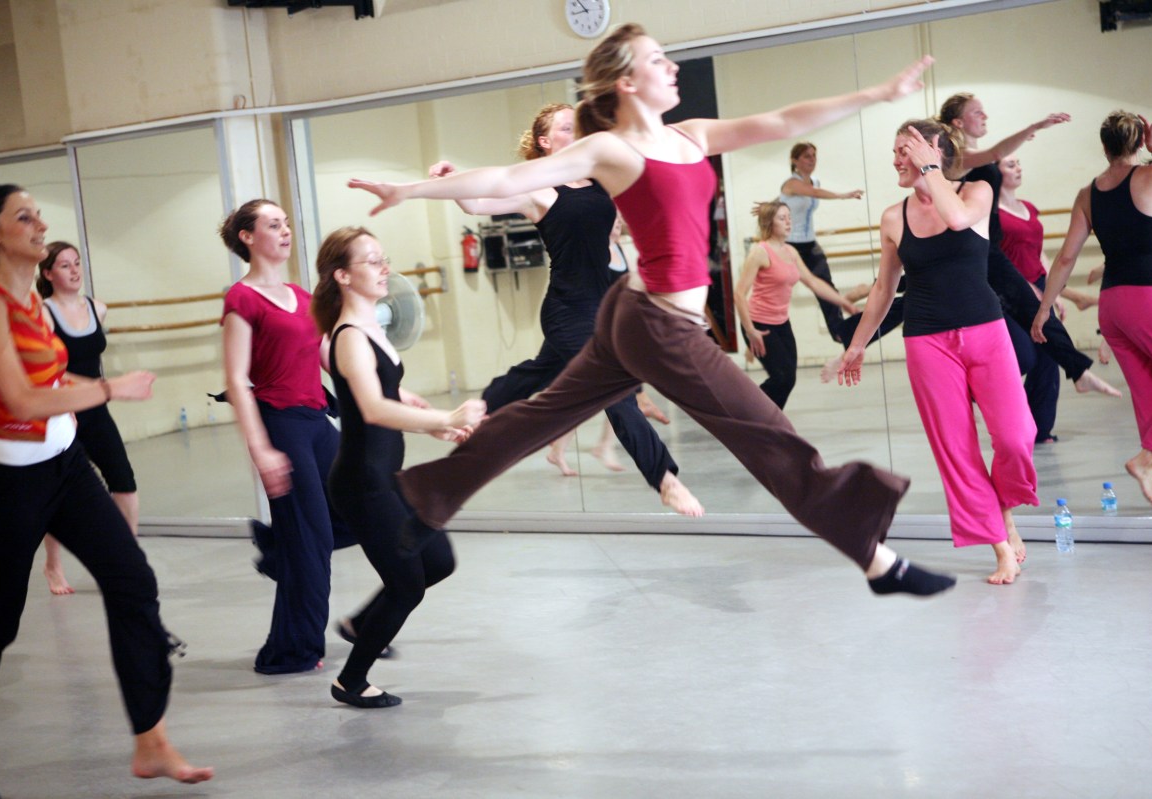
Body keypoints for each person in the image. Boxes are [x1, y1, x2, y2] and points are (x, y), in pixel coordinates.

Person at [349, 24, 956, 597]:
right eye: (657, 60)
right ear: (627, 82)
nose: (672, 67)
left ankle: (421, 499)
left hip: (631, 311)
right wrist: (410, 190)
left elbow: (781, 120)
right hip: (659, 323)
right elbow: (511, 177)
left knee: (540, 416)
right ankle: (877, 561)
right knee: (769, 434)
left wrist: (876, 93)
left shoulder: (690, 134)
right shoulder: (609, 149)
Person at [0, 184, 213, 784]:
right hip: (9, 483)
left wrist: (81, 406)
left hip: (65, 468)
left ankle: (151, 741)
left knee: (131, 579)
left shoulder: (34, 304)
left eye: (40, 214)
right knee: (2, 622)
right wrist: (110, 389)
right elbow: (19, 397)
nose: (41, 225)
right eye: (24, 217)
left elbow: (51, 382)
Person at [431, 103, 700, 514]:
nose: (577, 131)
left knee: (536, 373)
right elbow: (478, 204)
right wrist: (454, 181)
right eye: (565, 127)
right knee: (616, 393)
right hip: (569, 310)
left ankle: (476, 414)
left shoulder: (598, 180)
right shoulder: (538, 189)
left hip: (603, 308)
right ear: (545, 141)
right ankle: (664, 479)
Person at [838, 121, 1037, 585]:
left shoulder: (977, 193)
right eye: (894, 151)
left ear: (933, 150)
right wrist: (856, 345)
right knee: (957, 451)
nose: (894, 161)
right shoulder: (893, 217)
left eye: (901, 150)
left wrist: (930, 168)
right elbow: (884, 289)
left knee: (1015, 437)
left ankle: (1004, 510)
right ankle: (1000, 545)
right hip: (927, 341)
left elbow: (957, 221)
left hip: (986, 332)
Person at [308, 226, 485, 708]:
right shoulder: (348, 337)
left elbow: (388, 397)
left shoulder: (371, 328)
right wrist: (442, 417)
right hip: (362, 483)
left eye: (383, 259)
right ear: (342, 275)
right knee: (407, 585)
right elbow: (371, 409)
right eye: (371, 261)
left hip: (386, 476)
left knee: (439, 562)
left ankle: (361, 624)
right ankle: (351, 680)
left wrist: (430, 425)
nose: (385, 268)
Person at [219, 199, 372, 675]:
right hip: (280, 425)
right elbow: (237, 380)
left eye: (286, 223)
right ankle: (293, 652)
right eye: (272, 224)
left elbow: (332, 357)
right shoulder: (241, 299)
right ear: (247, 237)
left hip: (316, 422)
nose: (285, 231)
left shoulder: (302, 296)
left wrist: (388, 392)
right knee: (311, 539)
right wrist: (260, 447)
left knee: (363, 509)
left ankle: (280, 548)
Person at [1032, 112, 1152, 510]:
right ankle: (1147, 458)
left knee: (1149, 397)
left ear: (1104, 147)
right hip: (1149, 299)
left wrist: (1043, 311)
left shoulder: (1088, 194)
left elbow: (1066, 258)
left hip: (1112, 307)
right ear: (1138, 143)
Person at [939, 92, 1121, 399]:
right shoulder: (955, 160)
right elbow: (996, 152)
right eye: (977, 112)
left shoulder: (976, 157)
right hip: (970, 252)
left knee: (1037, 313)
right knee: (903, 297)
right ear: (958, 122)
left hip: (988, 250)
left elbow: (995, 153)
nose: (984, 116)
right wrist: (1032, 127)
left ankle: (1079, 372)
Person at [34, 241, 140, 594]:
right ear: (48, 274)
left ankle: (128, 556)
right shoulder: (43, 313)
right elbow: (51, 370)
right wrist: (106, 386)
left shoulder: (98, 308)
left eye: (77, 263)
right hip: (62, 409)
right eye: (64, 266)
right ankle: (53, 564)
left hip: (96, 408)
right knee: (56, 490)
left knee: (123, 480)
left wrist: (101, 389)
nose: (74, 270)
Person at [996, 158, 1092, 444]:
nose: (1019, 168)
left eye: (1019, 164)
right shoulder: (992, 215)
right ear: (994, 172)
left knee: (1048, 358)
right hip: (1010, 293)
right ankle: (1013, 421)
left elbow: (1041, 255)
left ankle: (1039, 429)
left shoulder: (1029, 208)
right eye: (1011, 165)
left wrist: (1053, 293)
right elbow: (998, 260)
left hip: (1039, 286)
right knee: (1025, 355)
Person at [733, 200, 858, 409]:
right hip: (759, 325)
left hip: (782, 323)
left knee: (788, 378)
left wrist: (844, 302)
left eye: (790, 217)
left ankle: (765, 419)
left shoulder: (790, 252)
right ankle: (753, 415)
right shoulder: (760, 252)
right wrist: (750, 330)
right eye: (782, 218)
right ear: (769, 223)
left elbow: (813, 282)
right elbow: (739, 293)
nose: (788, 222)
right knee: (781, 378)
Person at [778, 142, 865, 342]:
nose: (811, 160)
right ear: (795, 160)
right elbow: (813, 194)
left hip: (809, 244)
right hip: (790, 246)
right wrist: (844, 195)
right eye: (806, 156)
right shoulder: (791, 183)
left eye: (814, 155)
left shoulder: (815, 181)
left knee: (825, 284)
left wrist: (770, 205)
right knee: (780, 288)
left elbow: (787, 201)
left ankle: (839, 331)